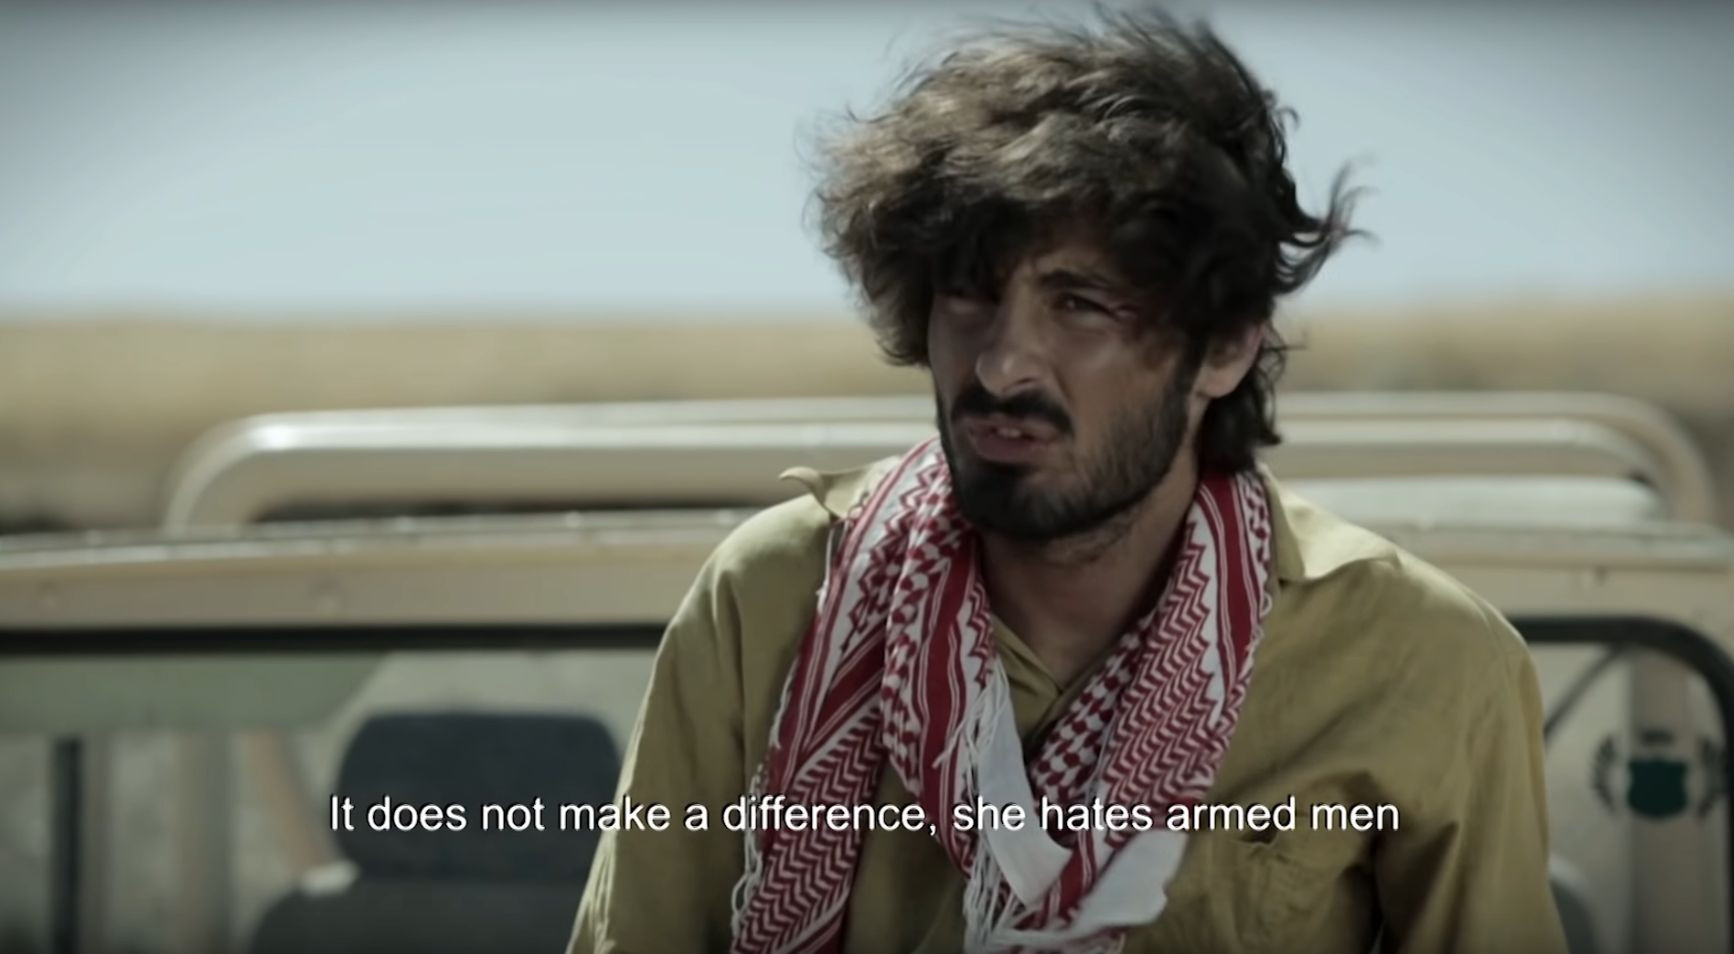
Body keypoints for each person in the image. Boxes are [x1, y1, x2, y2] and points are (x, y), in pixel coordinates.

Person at [569, 9, 1565, 954]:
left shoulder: (1423, 658)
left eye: (1080, 304)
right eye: (968, 297)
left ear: (1223, 348)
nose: (1002, 365)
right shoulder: (776, 594)